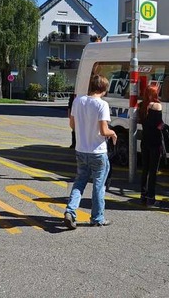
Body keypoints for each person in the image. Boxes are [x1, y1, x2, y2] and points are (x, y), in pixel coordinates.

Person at [64, 75, 117, 229]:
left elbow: (72, 125)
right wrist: (112, 133)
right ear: (104, 89)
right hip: (98, 151)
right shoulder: (102, 105)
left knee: (79, 182)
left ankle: (70, 211)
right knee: (98, 186)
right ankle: (97, 218)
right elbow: (103, 130)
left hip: (81, 149)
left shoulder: (78, 101)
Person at [138, 84, 164, 207]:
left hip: (145, 141)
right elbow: (159, 125)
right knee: (153, 171)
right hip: (155, 142)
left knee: (145, 169)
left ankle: (143, 195)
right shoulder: (157, 106)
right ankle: (151, 198)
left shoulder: (141, 106)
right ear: (155, 94)